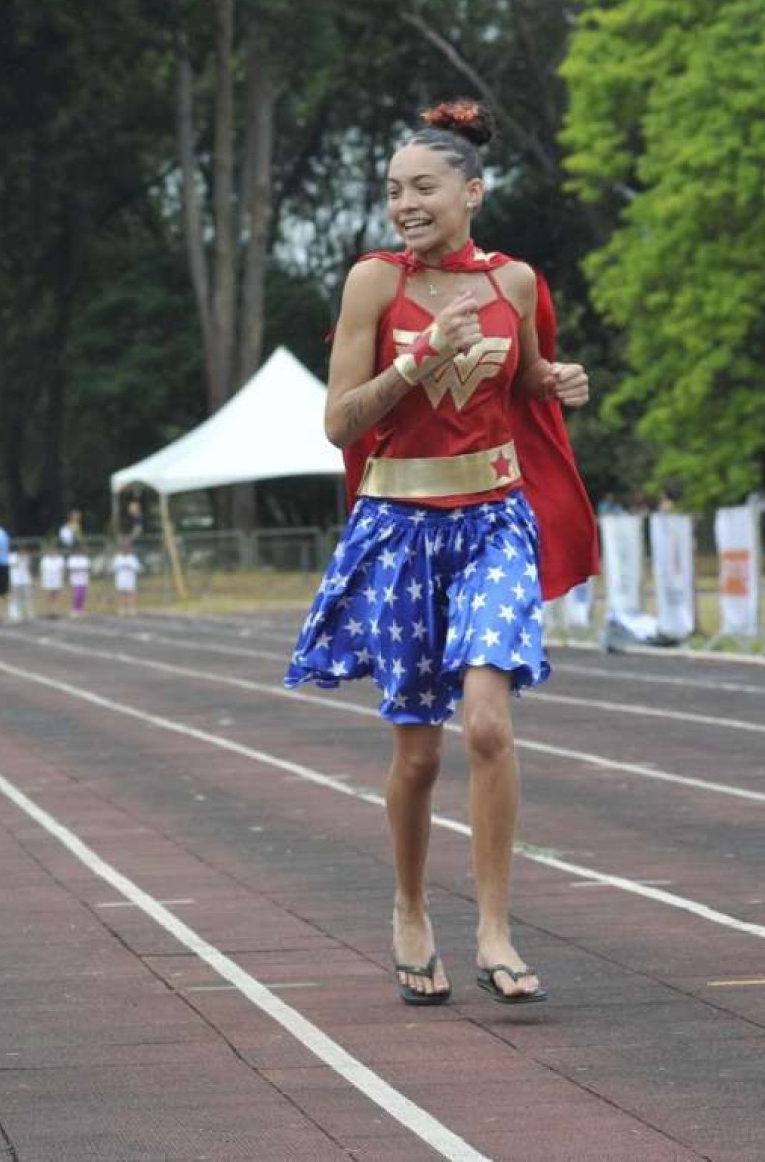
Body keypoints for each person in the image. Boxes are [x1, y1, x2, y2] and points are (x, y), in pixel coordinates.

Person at [284, 101, 596, 1008]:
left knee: (490, 722)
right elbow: (339, 421)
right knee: (418, 756)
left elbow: (527, 376)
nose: (405, 205)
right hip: (400, 529)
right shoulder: (372, 285)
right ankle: (411, 906)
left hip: (497, 517)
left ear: (472, 191)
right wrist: (419, 359)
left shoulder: (519, 282)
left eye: (424, 187)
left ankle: (496, 926)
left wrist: (556, 381)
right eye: (393, 191)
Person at [110, 536, 142, 617]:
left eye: (127, 547)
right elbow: (113, 568)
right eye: (123, 547)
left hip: (130, 578)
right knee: (121, 593)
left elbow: (138, 568)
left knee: (131, 593)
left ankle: (131, 608)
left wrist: (130, 567)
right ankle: (121, 608)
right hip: (120, 578)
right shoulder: (117, 558)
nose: (125, 549)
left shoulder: (132, 558)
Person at [38, 539, 66, 618]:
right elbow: (41, 570)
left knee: (56, 597)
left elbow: (63, 570)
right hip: (48, 581)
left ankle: (55, 611)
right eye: (51, 550)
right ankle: (49, 612)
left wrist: (63, 578)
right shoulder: (45, 560)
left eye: (54, 550)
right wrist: (41, 579)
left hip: (57, 581)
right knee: (48, 597)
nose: (53, 551)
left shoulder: (60, 559)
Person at [66, 543, 91, 616]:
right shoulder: (71, 559)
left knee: (82, 595)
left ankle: (81, 609)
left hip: (83, 579)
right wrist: (79, 569)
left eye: (80, 551)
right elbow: (70, 568)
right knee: (76, 595)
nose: (78, 552)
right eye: (77, 551)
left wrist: (80, 569)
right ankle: (74, 609)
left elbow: (88, 568)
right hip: (75, 580)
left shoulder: (85, 559)